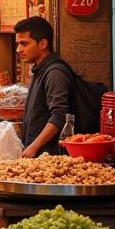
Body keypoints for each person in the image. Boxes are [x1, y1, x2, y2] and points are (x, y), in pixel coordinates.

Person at [14, 16, 73, 157]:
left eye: (24, 43)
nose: (18, 49)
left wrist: (34, 146)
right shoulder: (40, 69)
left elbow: (59, 116)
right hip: (37, 154)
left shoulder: (55, 73)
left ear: (43, 44)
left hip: (50, 157)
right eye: (18, 44)